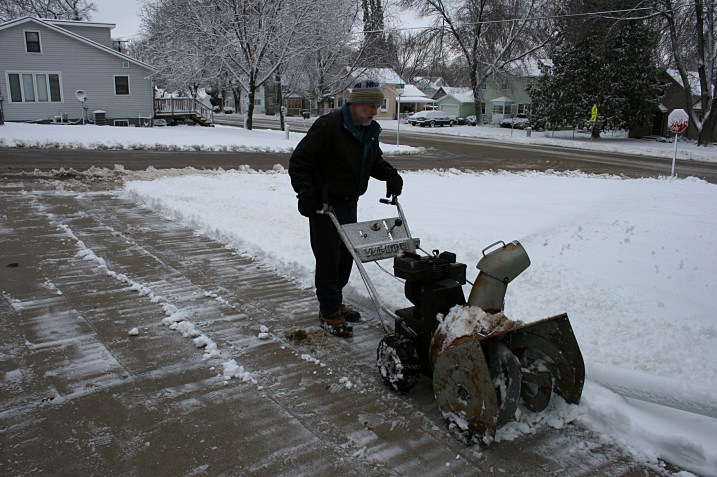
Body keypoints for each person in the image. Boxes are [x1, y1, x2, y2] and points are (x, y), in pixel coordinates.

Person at [289, 80, 404, 338]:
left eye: (377, 105)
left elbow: (373, 161)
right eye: (370, 105)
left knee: (346, 255)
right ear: (353, 104)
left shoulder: (368, 130)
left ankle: (335, 301)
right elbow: (300, 161)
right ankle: (328, 311)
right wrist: (306, 194)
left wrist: (390, 175)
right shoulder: (329, 126)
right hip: (324, 203)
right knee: (329, 256)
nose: (374, 111)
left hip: (349, 201)